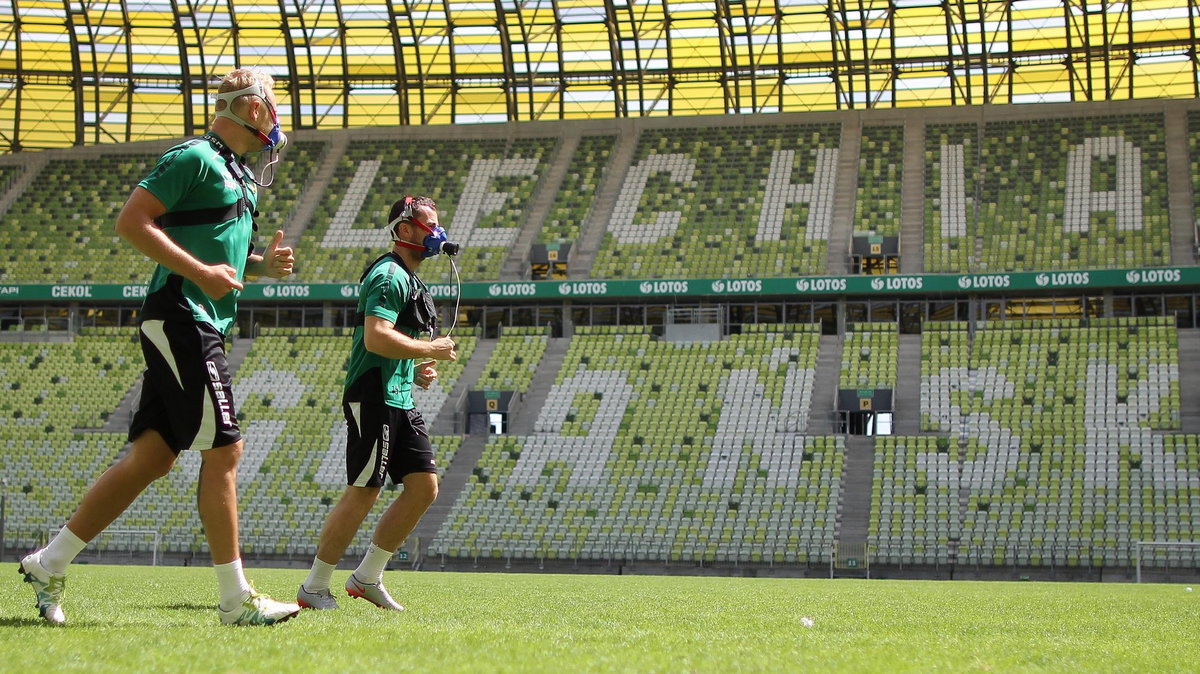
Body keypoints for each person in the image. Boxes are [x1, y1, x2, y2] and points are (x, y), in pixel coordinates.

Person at [19, 68, 301, 626]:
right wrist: (202, 272)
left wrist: (260, 267)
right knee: (225, 451)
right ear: (249, 107)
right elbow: (132, 222)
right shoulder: (194, 157)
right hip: (181, 316)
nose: (276, 114)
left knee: (152, 457)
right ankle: (234, 600)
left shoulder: (236, 173)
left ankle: (49, 562)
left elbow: (217, 253)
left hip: (197, 318)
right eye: (271, 103)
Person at [296, 195, 457, 611]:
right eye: (429, 225)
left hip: (398, 396)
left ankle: (367, 577)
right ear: (405, 230)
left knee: (424, 487)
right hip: (373, 396)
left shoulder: (410, 277)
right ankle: (314, 586)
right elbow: (375, 337)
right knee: (364, 490)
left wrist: (417, 366)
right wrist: (429, 348)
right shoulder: (389, 275)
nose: (437, 233)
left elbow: (393, 343)